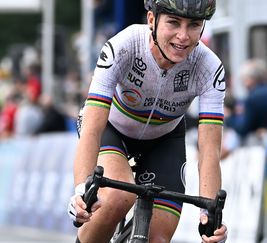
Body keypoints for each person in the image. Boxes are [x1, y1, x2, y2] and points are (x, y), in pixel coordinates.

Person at [67, 1, 228, 243]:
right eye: (173, 23)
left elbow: (209, 151)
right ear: (151, 20)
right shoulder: (124, 46)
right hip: (112, 129)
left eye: (194, 25)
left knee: (158, 239)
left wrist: (210, 214)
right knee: (117, 196)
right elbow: (92, 128)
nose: (183, 36)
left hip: (165, 139)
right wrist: (82, 191)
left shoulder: (209, 67)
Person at [225, 58, 267, 141]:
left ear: (251, 79)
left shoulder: (251, 100)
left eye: (244, 79)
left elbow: (243, 129)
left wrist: (229, 118)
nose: (243, 83)